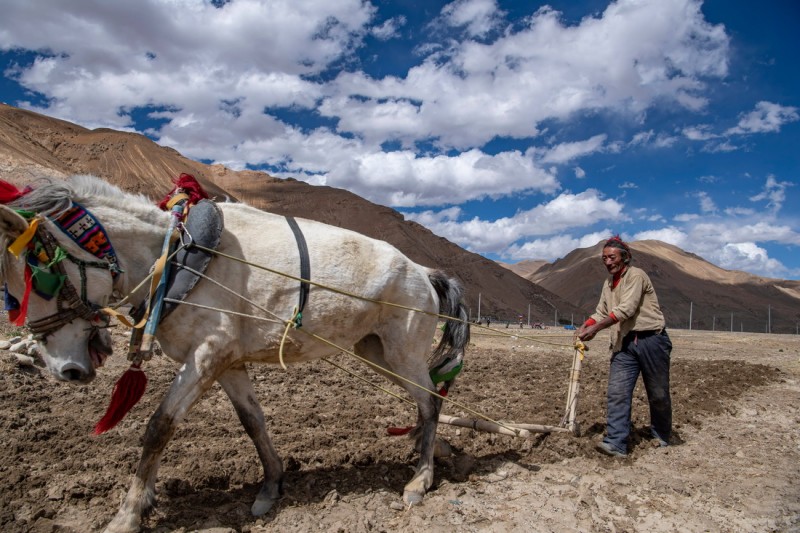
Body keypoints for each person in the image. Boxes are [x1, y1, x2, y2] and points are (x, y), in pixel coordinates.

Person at [577, 236, 672, 458]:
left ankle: (661, 435)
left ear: (625, 258)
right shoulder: (608, 284)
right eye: (604, 259)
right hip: (624, 343)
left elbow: (626, 309)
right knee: (617, 392)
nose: (608, 262)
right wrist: (586, 325)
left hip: (651, 340)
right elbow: (601, 311)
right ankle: (616, 442)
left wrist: (596, 329)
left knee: (658, 394)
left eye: (612, 257)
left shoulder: (636, 276)